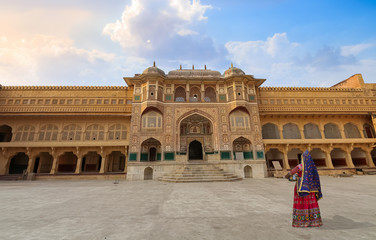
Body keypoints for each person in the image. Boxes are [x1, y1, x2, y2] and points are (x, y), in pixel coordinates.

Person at [285, 150, 323, 227]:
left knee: (302, 202)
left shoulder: (300, 166)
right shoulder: (312, 167)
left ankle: (301, 221)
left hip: (301, 188)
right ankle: (314, 221)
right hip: (311, 188)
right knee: (311, 203)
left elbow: (291, 172)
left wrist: (287, 176)